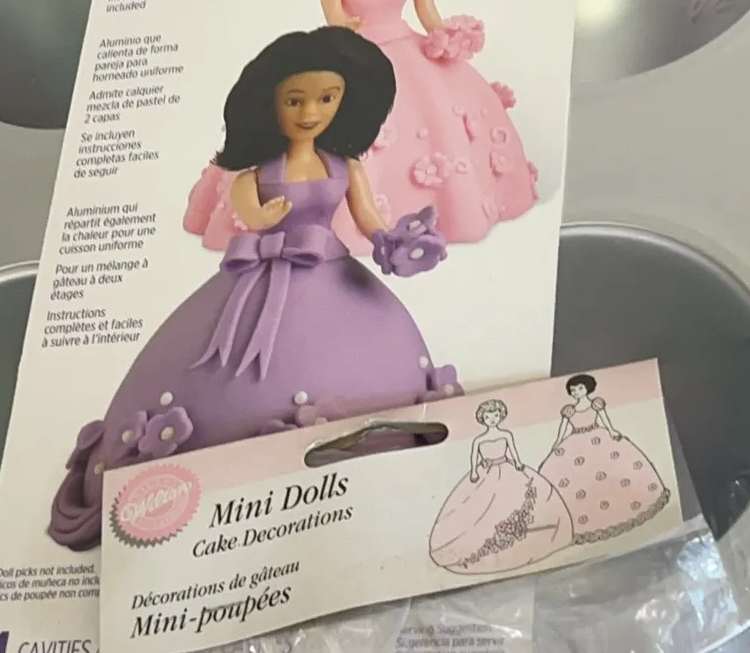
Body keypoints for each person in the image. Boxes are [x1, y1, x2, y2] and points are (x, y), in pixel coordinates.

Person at [49, 27, 457, 550]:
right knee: (218, 369)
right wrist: (263, 218)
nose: (310, 112)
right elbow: (250, 212)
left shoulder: (346, 166)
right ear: (270, 104)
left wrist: (390, 242)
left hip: (332, 276)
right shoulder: (255, 173)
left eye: (327, 98)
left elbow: (369, 218)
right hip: (256, 281)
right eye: (295, 100)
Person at [184, 0, 537, 255]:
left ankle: (434, 210)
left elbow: (428, 15)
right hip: (357, 56)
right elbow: (335, 23)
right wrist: (344, 32)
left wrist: (447, 36)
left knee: (435, 122)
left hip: (410, 53)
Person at [429, 398, 572, 575]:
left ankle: (515, 537)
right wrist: (474, 471)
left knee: (515, 501)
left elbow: (513, 450)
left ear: (501, 416)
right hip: (486, 474)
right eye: (488, 416)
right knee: (483, 509)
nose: (492, 419)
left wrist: (518, 463)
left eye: (496, 415)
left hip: (507, 469)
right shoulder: (479, 440)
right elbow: (474, 457)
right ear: (482, 418)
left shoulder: (506, 435)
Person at [538, 374, 671, 545]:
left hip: (599, 439)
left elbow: (605, 420)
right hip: (575, 444)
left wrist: (612, 431)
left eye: (580, 388)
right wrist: (556, 444)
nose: (576, 392)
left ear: (587, 388)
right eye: (573, 390)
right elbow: (562, 430)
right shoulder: (569, 410)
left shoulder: (596, 404)